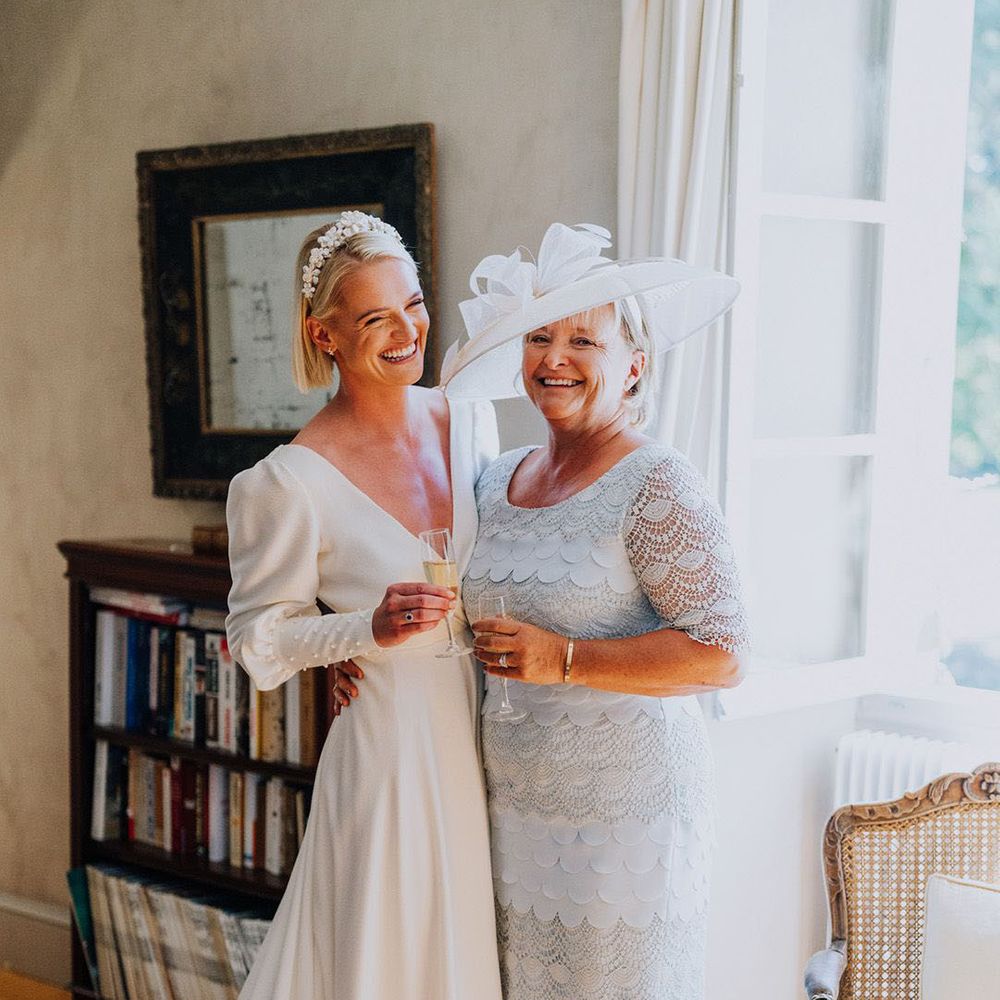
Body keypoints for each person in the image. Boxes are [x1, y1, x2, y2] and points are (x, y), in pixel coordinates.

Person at [443, 222, 751, 999]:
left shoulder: (657, 483)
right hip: (511, 812)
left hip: (626, 829)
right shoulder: (495, 481)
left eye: (585, 342)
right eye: (539, 337)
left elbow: (723, 654)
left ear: (634, 367)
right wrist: (360, 660)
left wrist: (566, 659)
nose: (554, 358)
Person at [225, 212, 503, 1000]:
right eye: (377, 317)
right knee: (389, 959)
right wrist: (362, 631)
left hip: (490, 734)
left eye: (413, 304)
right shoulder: (284, 483)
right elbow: (258, 640)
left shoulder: (470, 420)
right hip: (389, 747)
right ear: (326, 335)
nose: (407, 330)